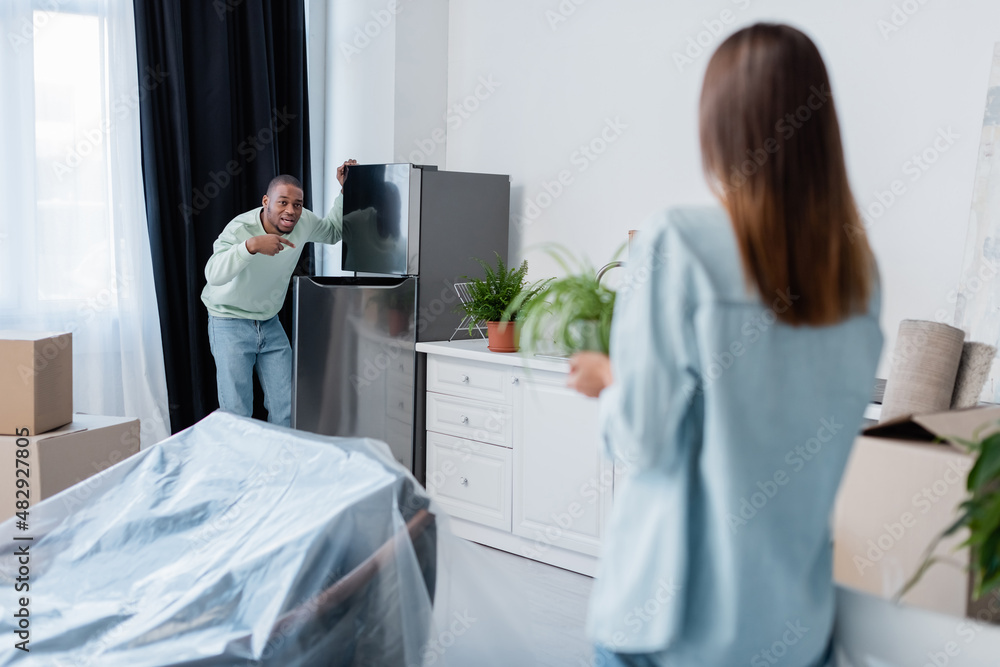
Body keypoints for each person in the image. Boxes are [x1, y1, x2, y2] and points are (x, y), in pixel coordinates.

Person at [567, 24, 883, 667]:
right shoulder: (857, 273)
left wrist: (609, 380)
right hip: (796, 626)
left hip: (670, 622)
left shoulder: (677, 242)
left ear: (719, 126)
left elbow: (643, 439)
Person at [201, 160, 357, 426]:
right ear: (266, 201)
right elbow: (213, 275)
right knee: (237, 413)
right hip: (228, 322)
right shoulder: (241, 230)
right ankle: (241, 467)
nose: (291, 211)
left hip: (269, 322)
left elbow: (332, 233)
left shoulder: (303, 221)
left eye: (297, 204)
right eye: (282, 202)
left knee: (287, 408)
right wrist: (250, 247)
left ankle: (280, 465)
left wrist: (345, 191)